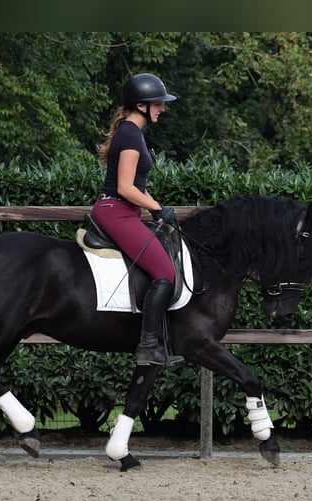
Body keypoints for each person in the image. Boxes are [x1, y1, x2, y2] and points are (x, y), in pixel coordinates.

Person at [90, 73, 184, 367]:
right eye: (158, 104)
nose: (163, 109)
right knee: (165, 273)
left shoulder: (133, 133)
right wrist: (157, 208)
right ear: (142, 105)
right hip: (116, 212)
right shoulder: (130, 135)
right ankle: (147, 346)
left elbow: (137, 186)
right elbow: (125, 188)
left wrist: (157, 206)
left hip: (123, 211)